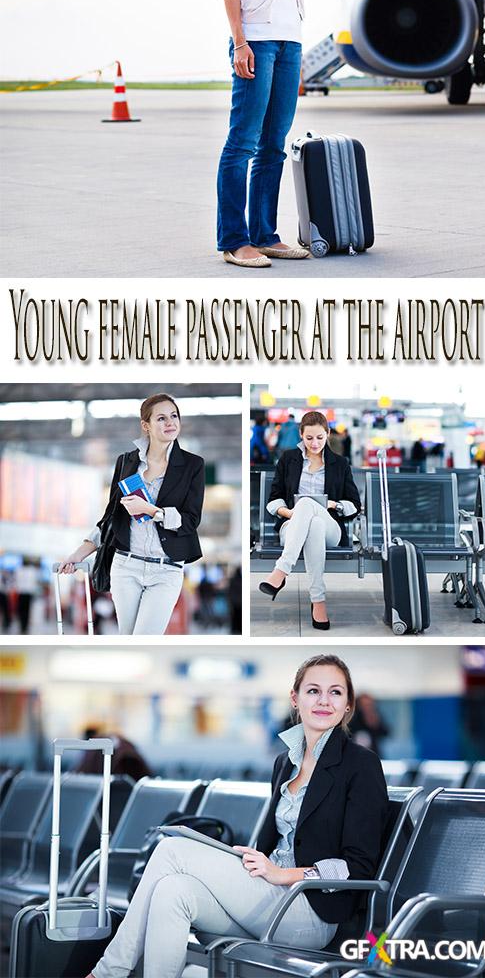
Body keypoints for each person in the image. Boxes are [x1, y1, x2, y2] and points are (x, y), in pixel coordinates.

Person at [86, 654, 388, 978]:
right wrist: (256, 860)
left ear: (348, 705)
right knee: (172, 891)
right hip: (268, 895)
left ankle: (107, 973)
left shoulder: (361, 765)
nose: (324, 700)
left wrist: (283, 875)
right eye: (313, 691)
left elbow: (358, 866)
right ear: (295, 699)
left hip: (309, 909)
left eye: (336, 692)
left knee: (171, 850)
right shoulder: (286, 763)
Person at [216, 0, 309, 268]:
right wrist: (240, 42)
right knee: (243, 143)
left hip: (289, 38)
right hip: (255, 36)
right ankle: (235, 240)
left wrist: (297, 39)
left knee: (274, 144)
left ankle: (265, 234)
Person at [58, 394, 205, 635]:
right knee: (127, 637)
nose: (170, 422)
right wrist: (76, 555)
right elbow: (110, 519)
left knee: (145, 637)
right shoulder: (126, 462)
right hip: (125, 566)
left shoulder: (192, 465)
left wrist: (151, 511)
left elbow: (190, 521)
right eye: (161, 418)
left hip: (166, 569)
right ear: (145, 425)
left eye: (174, 416)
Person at [259, 412, 361, 629]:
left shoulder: (340, 464)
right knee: (311, 521)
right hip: (292, 525)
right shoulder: (288, 459)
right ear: (301, 435)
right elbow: (273, 500)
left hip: (331, 528)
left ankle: (281, 571)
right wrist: (289, 513)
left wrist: (334, 505)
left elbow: (355, 505)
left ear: (328, 434)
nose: (315, 443)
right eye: (309, 438)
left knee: (310, 509)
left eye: (320, 438)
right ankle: (318, 601)